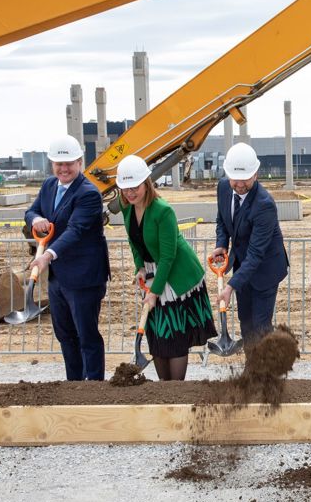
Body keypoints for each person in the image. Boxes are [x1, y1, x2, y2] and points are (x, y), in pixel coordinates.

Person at [117, 156, 217, 380]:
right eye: (125, 188)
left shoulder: (163, 211)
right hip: (154, 271)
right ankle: (165, 387)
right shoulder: (127, 208)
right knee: (157, 333)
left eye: (135, 187)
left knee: (174, 334)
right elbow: (134, 241)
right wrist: (140, 267)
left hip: (178, 276)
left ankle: (175, 389)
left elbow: (168, 257)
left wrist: (154, 293)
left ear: (146, 183)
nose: (130, 193)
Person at [24, 135, 110, 381]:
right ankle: (73, 385)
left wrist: (47, 256)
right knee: (65, 335)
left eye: (69, 163)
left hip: (83, 277)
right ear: (52, 164)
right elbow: (31, 211)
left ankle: (93, 387)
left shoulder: (88, 193)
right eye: (58, 164)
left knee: (86, 336)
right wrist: (36, 219)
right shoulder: (49, 186)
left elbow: (76, 230)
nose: (63, 169)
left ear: (80, 162)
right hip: (58, 277)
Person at [208, 142, 289, 347]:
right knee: (245, 322)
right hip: (242, 265)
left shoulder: (264, 205)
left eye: (245, 178)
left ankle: (264, 366)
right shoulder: (223, 188)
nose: (240, 184)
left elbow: (255, 254)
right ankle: (251, 363)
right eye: (235, 178)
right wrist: (221, 244)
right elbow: (222, 219)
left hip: (265, 269)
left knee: (260, 326)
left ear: (256, 174)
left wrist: (230, 287)